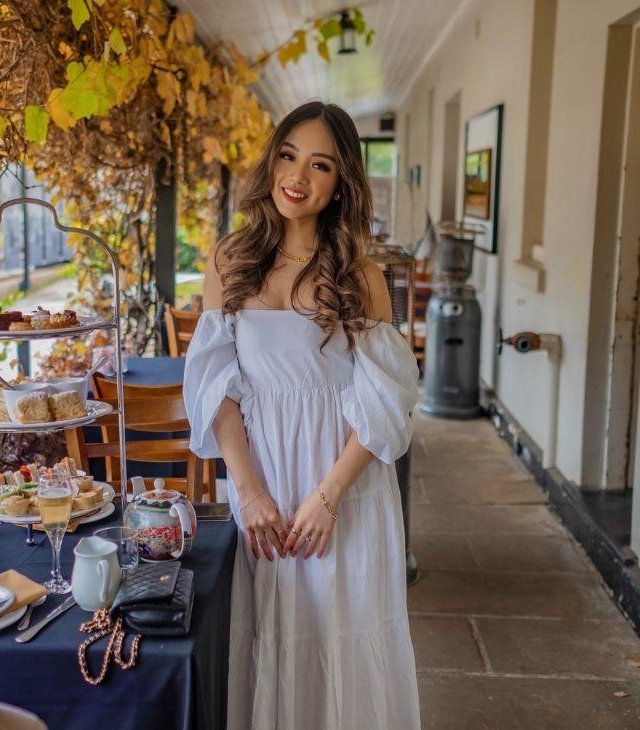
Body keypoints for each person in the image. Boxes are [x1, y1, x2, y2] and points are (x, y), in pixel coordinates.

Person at [183, 100, 421, 730]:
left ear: (341, 185)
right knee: (271, 637)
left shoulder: (361, 277)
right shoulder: (228, 263)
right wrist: (249, 491)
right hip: (265, 488)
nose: (298, 176)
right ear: (271, 160)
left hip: (343, 490)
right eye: (289, 155)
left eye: (321, 165)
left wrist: (329, 497)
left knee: (343, 639)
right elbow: (217, 390)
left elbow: (383, 403)